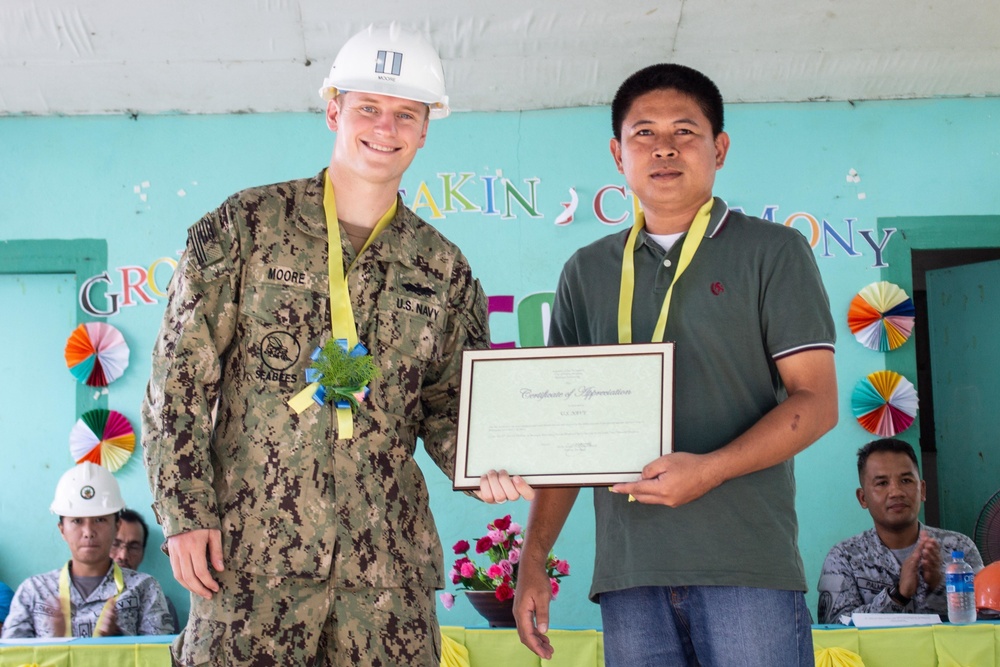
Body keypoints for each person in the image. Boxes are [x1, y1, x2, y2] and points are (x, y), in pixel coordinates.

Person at [141, 23, 528, 667]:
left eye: (407, 113)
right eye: (368, 108)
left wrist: (489, 462)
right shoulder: (246, 227)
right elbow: (177, 385)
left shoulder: (442, 268)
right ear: (333, 111)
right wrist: (184, 515)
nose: (386, 127)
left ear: (427, 127)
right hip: (250, 568)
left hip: (384, 583)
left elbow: (450, 404)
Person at [513, 63, 838, 666]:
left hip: (748, 566)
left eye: (685, 131)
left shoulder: (773, 252)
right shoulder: (585, 272)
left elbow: (816, 402)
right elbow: (567, 434)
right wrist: (533, 563)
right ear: (618, 154)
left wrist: (710, 469)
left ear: (719, 148)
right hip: (629, 575)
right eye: (643, 133)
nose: (664, 147)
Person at [817, 438, 983, 624]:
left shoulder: (959, 548)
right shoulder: (844, 557)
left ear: (922, 490)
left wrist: (938, 585)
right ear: (863, 498)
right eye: (882, 483)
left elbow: (987, 619)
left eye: (906, 480)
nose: (896, 492)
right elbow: (833, 629)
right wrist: (897, 596)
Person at [1, 462, 172, 638]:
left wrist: (118, 640)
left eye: (99, 520)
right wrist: (52, 645)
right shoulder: (33, 592)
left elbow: (159, 657)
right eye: (77, 521)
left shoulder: (144, 588)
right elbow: (10, 659)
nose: (89, 532)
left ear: (117, 525)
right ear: (62, 529)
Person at [112, 508, 180, 632]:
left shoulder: (161, 605)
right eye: (115, 544)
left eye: (133, 547)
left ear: (143, 553)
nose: (123, 555)